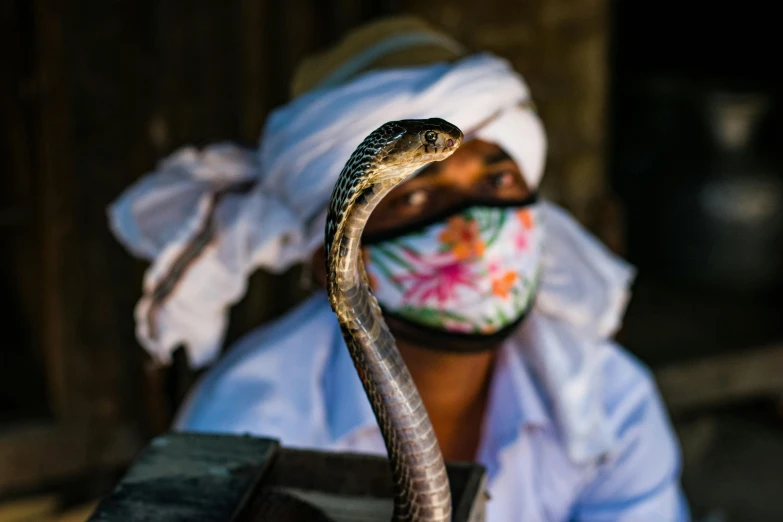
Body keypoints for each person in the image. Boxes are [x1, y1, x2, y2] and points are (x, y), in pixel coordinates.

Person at [108, 16, 690, 522]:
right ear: (330, 249)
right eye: (415, 199)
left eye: (496, 181)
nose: (471, 231)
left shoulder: (609, 400)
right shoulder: (245, 418)